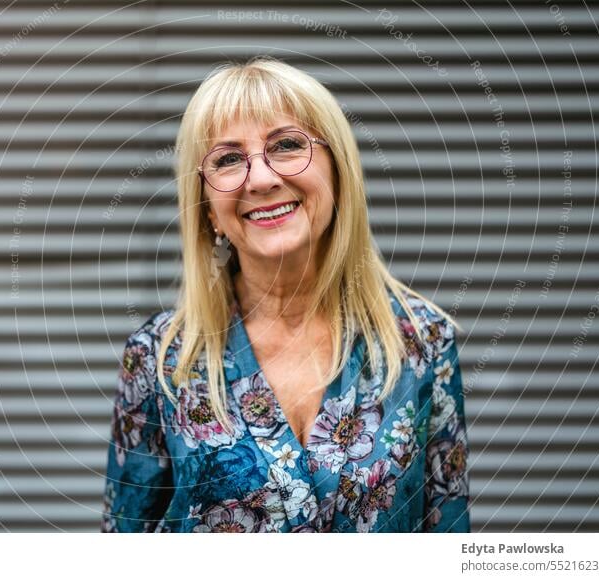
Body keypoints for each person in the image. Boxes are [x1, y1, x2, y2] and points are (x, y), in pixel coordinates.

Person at [101, 56, 470, 533]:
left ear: (338, 174)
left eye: (288, 145)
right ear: (209, 208)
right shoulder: (159, 359)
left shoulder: (421, 343)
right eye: (228, 159)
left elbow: (447, 536)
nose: (260, 179)